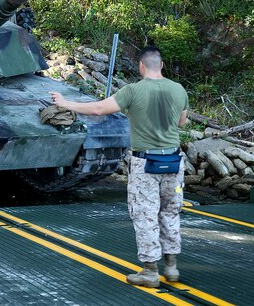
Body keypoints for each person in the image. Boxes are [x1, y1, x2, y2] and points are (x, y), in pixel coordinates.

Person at [50, 46, 188, 288]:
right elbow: (181, 121)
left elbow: (98, 109)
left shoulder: (133, 91)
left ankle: (150, 271)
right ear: (162, 65)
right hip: (174, 163)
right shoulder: (178, 90)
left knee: (145, 215)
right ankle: (172, 267)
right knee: (170, 212)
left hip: (146, 163)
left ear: (141, 66)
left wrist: (65, 103)